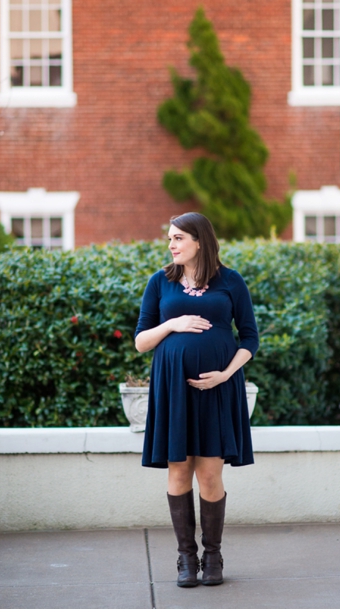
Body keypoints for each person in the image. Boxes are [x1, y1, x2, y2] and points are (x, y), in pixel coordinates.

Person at [133, 212, 259, 588]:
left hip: (219, 388)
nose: (171, 245)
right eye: (170, 238)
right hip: (173, 390)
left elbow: (249, 338)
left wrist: (225, 374)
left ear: (200, 241)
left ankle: (213, 556)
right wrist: (173, 323)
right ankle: (186, 558)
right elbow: (141, 342)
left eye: (178, 238)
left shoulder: (231, 281)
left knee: (209, 473)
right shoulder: (160, 282)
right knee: (178, 470)